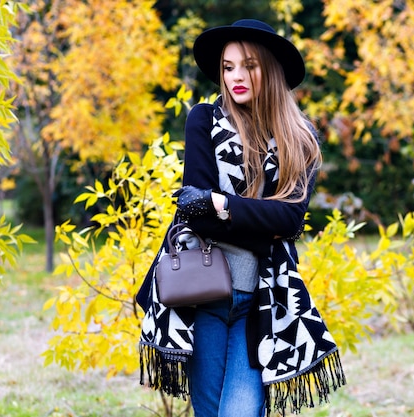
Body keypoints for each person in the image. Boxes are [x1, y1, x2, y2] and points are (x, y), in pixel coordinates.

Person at [137, 19, 346, 417]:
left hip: (263, 301)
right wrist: (263, 222)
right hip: (204, 295)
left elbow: (290, 220)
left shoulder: (299, 138)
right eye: (228, 67)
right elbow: (195, 215)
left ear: (269, 69)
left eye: (247, 65)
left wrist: (223, 204)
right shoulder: (203, 120)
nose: (235, 76)